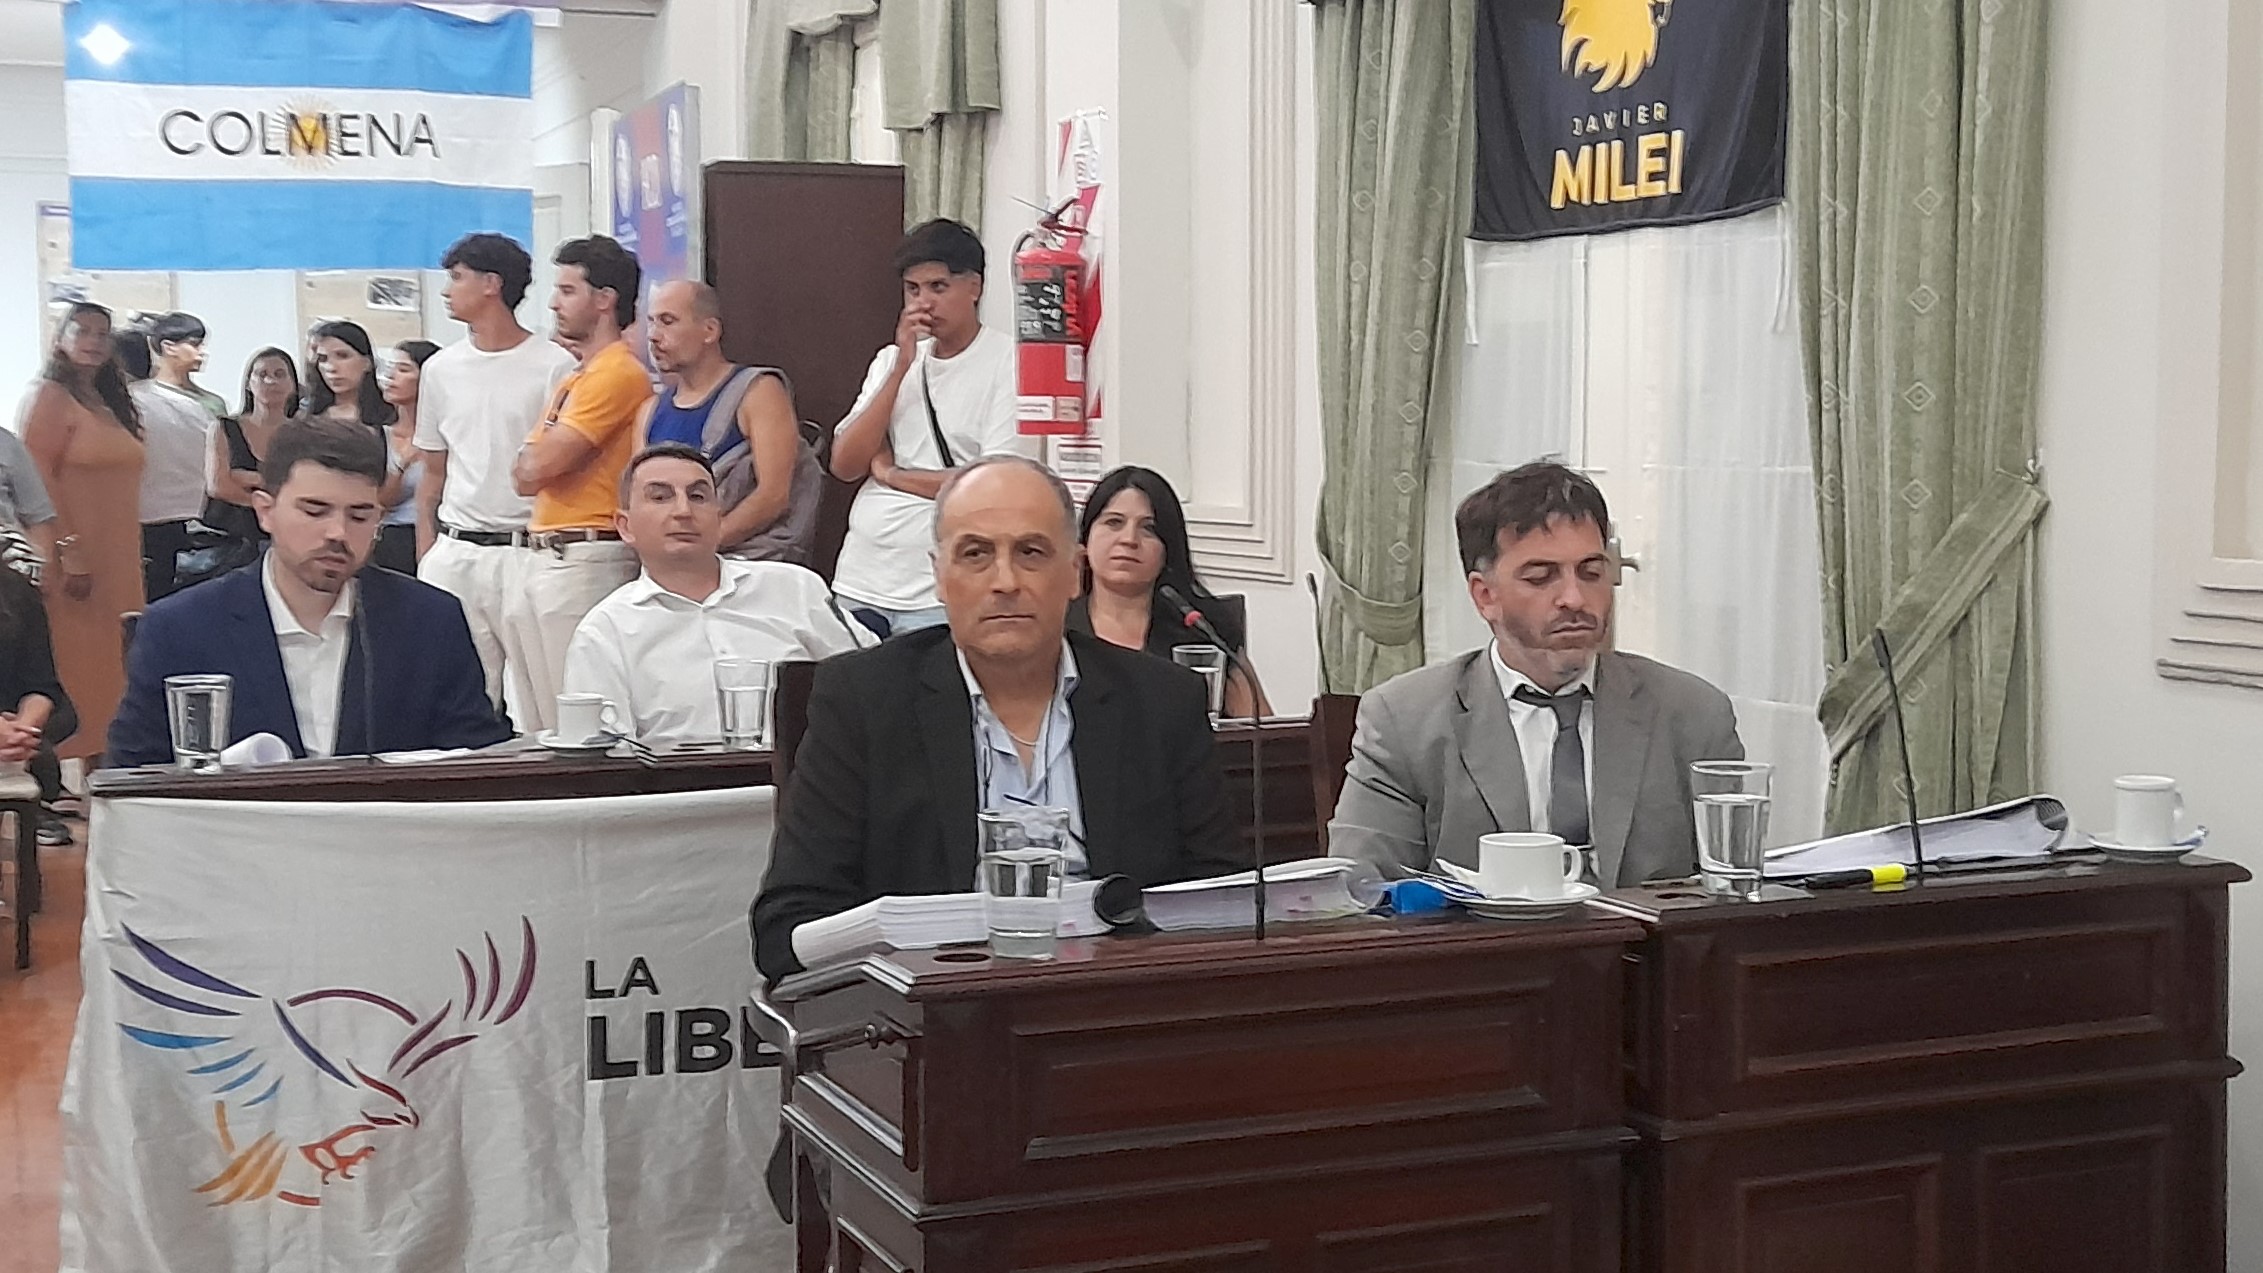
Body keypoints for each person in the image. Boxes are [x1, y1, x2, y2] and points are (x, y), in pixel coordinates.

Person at [752, 455, 1242, 981]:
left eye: (1031, 553)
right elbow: (788, 925)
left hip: (1118, 997)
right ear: (940, 576)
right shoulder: (864, 700)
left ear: (1073, 573)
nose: (1005, 581)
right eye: (975, 554)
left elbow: (1222, 902)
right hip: (938, 1003)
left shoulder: (1162, 701)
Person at [1328, 463, 1744, 887]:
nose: (1574, 599)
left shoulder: (1693, 715)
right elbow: (1362, 890)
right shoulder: (1404, 721)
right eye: (1541, 578)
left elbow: (1732, 891)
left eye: (1592, 573)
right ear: (1485, 596)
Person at [107, 418, 510, 767]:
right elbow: (134, 775)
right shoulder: (181, 628)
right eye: (315, 511)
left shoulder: (430, 621)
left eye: (360, 516)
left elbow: (471, 761)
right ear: (265, 511)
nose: (338, 533)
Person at [562, 444, 871, 745]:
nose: (683, 511)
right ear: (625, 526)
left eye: (698, 496)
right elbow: (606, 752)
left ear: (719, 516)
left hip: (809, 772)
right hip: (684, 779)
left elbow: (871, 683)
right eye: (660, 497)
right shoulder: (605, 631)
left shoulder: (794, 588)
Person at [828, 219, 1026, 639]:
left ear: (974, 287)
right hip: (863, 576)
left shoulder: (1007, 361)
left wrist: (891, 474)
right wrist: (901, 366)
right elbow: (844, 463)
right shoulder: (891, 360)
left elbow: (993, 483)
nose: (924, 303)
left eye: (938, 287)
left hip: (938, 589)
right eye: (913, 290)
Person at [414, 233, 578, 720]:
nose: (447, 290)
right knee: (452, 699)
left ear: (492, 284)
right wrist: (428, 555)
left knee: (536, 702)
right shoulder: (440, 369)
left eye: (457, 278)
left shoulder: (555, 365)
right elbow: (433, 471)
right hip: (457, 548)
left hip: (528, 549)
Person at [504, 235, 649, 733]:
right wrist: (534, 461)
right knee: (538, 719)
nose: (553, 303)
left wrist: (535, 460)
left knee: (579, 715)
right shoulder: (577, 375)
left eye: (567, 290)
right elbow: (523, 473)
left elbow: (539, 465)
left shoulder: (619, 373)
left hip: (586, 553)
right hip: (544, 550)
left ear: (605, 299)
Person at [18, 303, 144, 763]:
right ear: (61, 337)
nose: (93, 341)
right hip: (73, 561)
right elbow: (36, 482)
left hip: (119, 560)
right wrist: (69, 551)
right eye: (82, 330)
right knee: (76, 668)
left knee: (116, 666)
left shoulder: (110, 402)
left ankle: (106, 767)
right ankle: (61, 772)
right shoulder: (49, 396)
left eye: (102, 333)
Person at [638, 279, 819, 563]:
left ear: (710, 330)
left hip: (748, 565)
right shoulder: (649, 412)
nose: (653, 336)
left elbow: (773, 495)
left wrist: (702, 545)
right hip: (670, 569)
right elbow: (639, 496)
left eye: (668, 321)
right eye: (651, 322)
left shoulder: (758, 391)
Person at [1069, 465, 1271, 718]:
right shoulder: (1054, 627)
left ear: (1168, 548)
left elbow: (1265, 731)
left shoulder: (1204, 631)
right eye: (1114, 522)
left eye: (1149, 528)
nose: (1129, 539)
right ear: (1085, 538)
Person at [129, 311, 220, 602]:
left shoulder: (212, 403)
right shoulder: (136, 398)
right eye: (194, 344)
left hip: (205, 517)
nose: (202, 352)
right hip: (152, 516)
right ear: (168, 347)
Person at [201, 347, 300, 571]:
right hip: (231, 541)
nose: (270, 381)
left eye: (279, 374)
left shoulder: (304, 433)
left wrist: (247, 478)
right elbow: (219, 486)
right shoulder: (224, 427)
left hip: (287, 538)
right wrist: (271, 501)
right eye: (262, 374)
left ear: (293, 385)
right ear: (248, 383)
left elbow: (305, 484)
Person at [0, 567, 77, 846]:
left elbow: (42, 685)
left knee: (59, 720)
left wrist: (24, 730)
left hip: (9, 728)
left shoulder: (15, 589)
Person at [376, 340, 438, 574]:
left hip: (441, 534)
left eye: (403, 369)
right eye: (389, 368)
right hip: (393, 538)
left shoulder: (447, 436)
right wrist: (402, 464)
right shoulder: (379, 435)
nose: (391, 376)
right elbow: (379, 501)